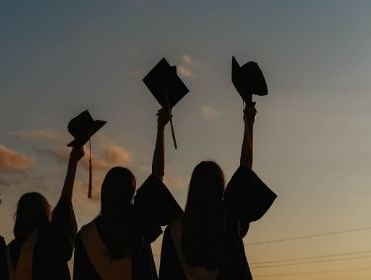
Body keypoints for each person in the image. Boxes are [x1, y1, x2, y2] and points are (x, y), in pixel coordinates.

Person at [159, 102, 269, 280]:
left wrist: (160, 128)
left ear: (192, 189)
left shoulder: (174, 231)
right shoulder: (230, 222)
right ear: (221, 189)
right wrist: (249, 123)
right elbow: (245, 171)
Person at [73, 108, 182, 280]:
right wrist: (161, 128)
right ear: (131, 194)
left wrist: (73, 162)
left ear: (104, 192)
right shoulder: (138, 219)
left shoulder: (86, 237)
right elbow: (157, 176)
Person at [7, 146, 84, 279]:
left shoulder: (10, 250)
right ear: (44, 212)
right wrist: (73, 163)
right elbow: (64, 204)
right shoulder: (51, 240)